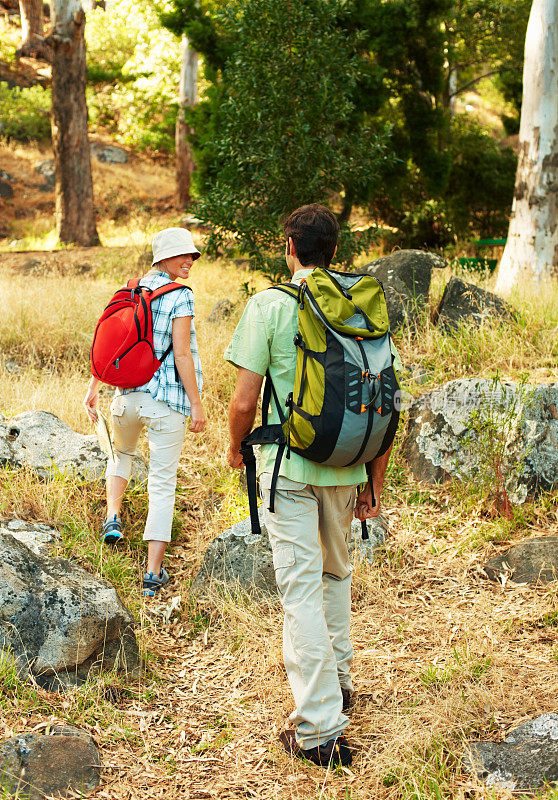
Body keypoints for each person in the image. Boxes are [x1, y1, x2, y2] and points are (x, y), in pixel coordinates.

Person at [225, 204, 397, 767]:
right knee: (335, 577)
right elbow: (385, 402)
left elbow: (245, 400)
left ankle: (320, 728)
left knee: (300, 589)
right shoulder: (359, 307)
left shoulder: (270, 305)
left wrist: (235, 447)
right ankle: (342, 685)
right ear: (335, 252)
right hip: (349, 467)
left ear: (292, 249)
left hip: (287, 469)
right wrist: (374, 482)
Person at [83, 227, 206, 597]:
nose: (189, 261)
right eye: (183, 255)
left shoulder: (131, 289)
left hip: (124, 398)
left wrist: (93, 389)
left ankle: (112, 518)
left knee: (120, 456)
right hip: (165, 403)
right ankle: (153, 574)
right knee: (163, 483)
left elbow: (112, 341)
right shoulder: (180, 296)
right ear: (163, 258)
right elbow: (182, 354)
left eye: (192, 256)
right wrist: (197, 404)